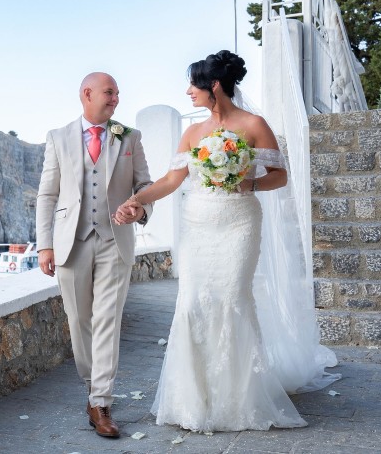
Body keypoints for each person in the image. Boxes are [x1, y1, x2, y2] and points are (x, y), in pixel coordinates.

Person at [116, 50, 337, 433]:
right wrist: (136, 201)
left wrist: (246, 180)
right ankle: (194, 400)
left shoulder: (253, 124)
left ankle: (238, 401)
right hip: (199, 225)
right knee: (192, 305)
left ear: (214, 85)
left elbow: (279, 176)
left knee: (233, 299)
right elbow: (171, 181)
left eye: (193, 84)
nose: (188, 91)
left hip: (238, 222)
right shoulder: (193, 133)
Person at [35, 72, 153, 438]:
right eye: (109, 92)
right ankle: (92, 386)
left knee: (108, 320)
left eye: (117, 92)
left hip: (115, 240)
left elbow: (145, 185)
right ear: (87, 94)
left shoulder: (129, 137)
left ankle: (101, 400)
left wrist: (141, 210)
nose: (116, 98)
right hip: (72, 241)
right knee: (78, 320)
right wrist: (44, 244)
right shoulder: (58, 138)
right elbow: (47, 195)